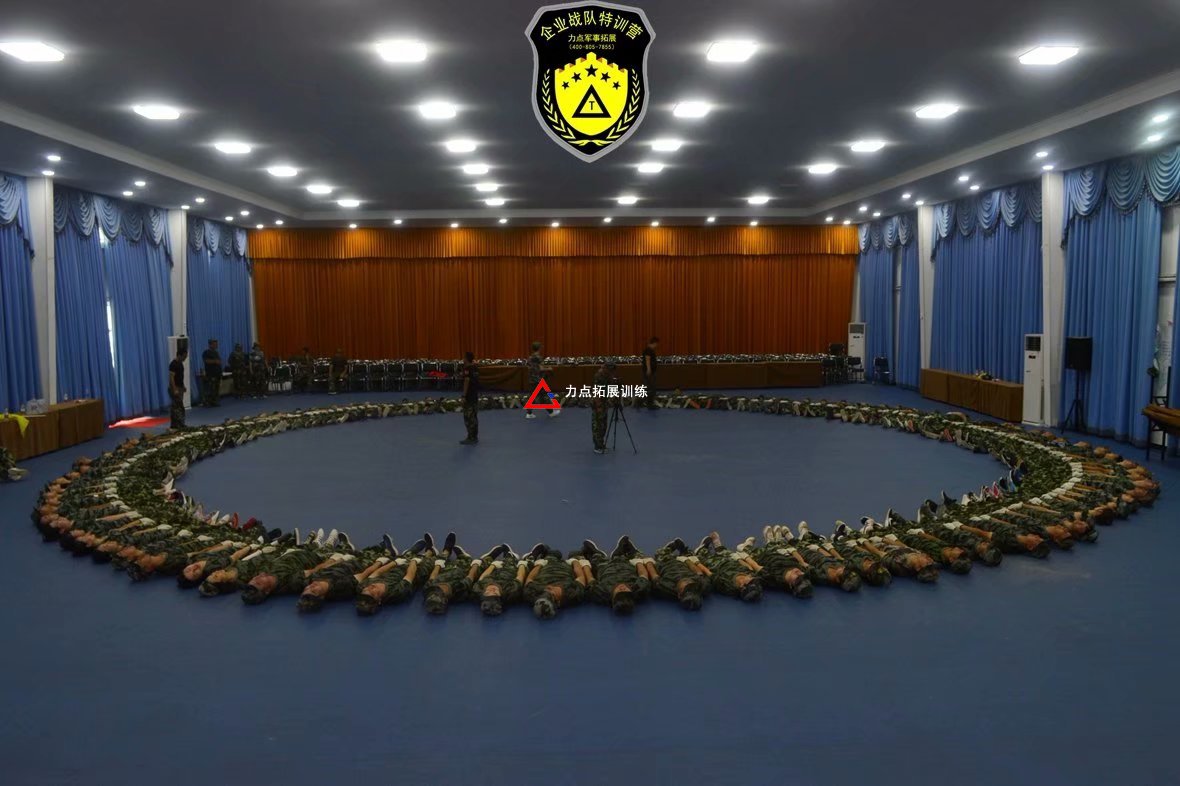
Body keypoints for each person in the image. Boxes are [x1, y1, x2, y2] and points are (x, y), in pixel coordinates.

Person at [522, 544, 587, 619]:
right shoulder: (573, 595)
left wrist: (539, 564)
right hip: (565, 568)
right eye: (552, 594)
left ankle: (542, 554)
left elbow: (529, 579)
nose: (549, 589)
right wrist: (575, 562)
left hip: (548, 565)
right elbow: (581, 577)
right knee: (574, 554)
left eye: (545, 592)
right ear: (558, 603)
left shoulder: (531, 594)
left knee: (553, 553)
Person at [525, 341, 559, 419]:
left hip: (532, 379)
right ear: (539, 348)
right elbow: (541, 368)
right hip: (538, 379)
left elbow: (529, 367)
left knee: (534, 396)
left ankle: (529, 413)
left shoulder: (530, 357)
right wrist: (549, 368)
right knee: (545, 394)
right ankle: (551, 412)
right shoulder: (538, 357)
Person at [590, 361, 614, 454]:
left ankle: (601, 444)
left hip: (604, 401)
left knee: (603, 424)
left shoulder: (606, 375)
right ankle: (597, 446)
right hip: (598, 403)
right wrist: (599, 405)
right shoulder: (599, 376)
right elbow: (596, 392)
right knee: (597, 425)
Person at [460, 350, 479, 445]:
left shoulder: (467, 368)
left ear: (466, 359)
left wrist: (464, 395)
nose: (463, 359)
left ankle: (471, 437)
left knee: (468, 417)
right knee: (474, 416)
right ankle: (474, 436)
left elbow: (467, 380)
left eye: (464, 357)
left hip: (469, 395)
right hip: (475, 394)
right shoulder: (475, 367)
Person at [199, 339, 222, 407]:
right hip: (211, 374)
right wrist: (215, 361)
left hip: (217, 373)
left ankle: (214, 401)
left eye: (216, 344)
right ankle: (208, 402)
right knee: (210, 388)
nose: (216, 345)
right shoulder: (206, 352)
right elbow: (206, 361)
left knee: (216, 388)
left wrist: (219, 363)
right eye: (214, 344)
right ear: (210, 345)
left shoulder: (216, 352)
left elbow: (219, 361)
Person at [169, 346, 187, 430]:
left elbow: (180, 377)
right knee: (179, 408)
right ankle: (180, 424)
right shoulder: (173, 364)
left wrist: (183, 386)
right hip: (175, 388)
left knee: (176, 407)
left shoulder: (180, 364)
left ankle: (175, 425)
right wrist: (174, 389)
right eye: (184, 356)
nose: (185, 358)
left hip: (180, 387)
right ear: (179, 355)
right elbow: (171, 378)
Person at [640, 336, 659, 409]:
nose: (657, 346)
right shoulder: (648, 350)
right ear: (654, 343)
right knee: (650, 387)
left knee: (647, 387)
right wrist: (649, 369)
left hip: (649, 372)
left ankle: (642, 402)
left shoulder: (649, 350)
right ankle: (649, 404)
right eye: (657, 344)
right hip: (649, 372)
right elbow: (647, 359)